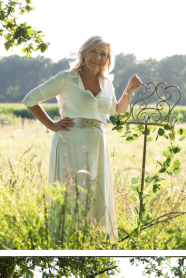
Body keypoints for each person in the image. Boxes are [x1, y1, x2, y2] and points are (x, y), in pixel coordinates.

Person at [22, 35, 143, 240]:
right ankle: (66, 238)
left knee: (96, 191)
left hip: (97, 142)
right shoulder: (66, 78)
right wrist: (51, 125)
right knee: (72, 192)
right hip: (70, 141)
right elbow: (30, 99)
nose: (98, 57)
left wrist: (130, 90)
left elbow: (117, 110)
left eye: (103, 54)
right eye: (93, 52)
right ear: (83, 53)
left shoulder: (107, 83)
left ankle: (93, 238)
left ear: (108, 59)